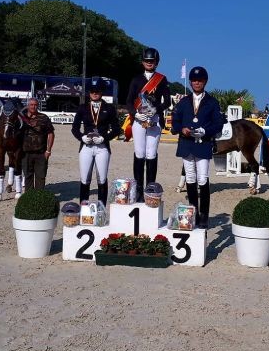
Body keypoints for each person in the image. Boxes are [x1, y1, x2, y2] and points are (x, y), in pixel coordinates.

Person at [171, 66, 224, 229]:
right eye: (194, 80)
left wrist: (205, 131)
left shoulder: (212, 102)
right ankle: (193, 212)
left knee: (202, 179)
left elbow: (218, 124)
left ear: (205, 82)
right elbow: (175, 122)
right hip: (187, 144)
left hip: (203, 144)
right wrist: (182, 129)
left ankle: (204, 216)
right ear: (190, 82)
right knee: (191, 178)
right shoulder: (184, 102)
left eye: (199, 80)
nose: (196, 83)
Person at [126, 47, 171, 201]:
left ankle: (150, 188)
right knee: (139, 153)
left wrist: (156, 110)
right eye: (146, 60)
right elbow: (129, 101)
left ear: (156, 62)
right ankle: (138, 189)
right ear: (142, 61)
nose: (149, 63)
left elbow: (168, 101)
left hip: (154, 120)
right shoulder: (136, 79)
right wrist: (135, 113)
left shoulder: (162, 79)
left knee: (151, 154)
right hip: (139, 121)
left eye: (152, 61)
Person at [72, 78, 121, 205]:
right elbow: (74, 128)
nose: (95, 93)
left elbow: (117, 129)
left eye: (97, 91)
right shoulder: (82, 108)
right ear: (89, 92)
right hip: (86, 147)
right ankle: (83, 207)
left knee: (102, 178)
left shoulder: (109, 108)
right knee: (84, 178)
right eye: (92, 91)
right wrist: (81, 137)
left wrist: (105, 138)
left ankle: (102, 209)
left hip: (102, 147)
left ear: (102, 92)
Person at [22, 97, 55, 191]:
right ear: (28, 105)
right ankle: (29, 198)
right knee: (28, 177)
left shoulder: (44, 118)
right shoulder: (22, 118)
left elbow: (51, 133)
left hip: (41, 153)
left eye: (35, 105)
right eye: (31, 105)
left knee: (41, 176)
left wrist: (48, 150)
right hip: (26, 153)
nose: (33, 107)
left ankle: (39, 197)